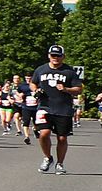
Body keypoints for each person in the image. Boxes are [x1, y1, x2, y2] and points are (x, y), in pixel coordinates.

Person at [31, 45, 83, 174]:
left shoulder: (69, 71)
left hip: (63, 108)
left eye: (58, 56)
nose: (55, 58)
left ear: (63, 57)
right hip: (44, 107)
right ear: (49, 55)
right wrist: (35, 90)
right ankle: (48, 158)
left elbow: (79, 89)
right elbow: (33, 82)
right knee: (44, 133)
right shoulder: (41, 69)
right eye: (53, 55)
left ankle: (60, 163)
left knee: (62, 138)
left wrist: (66, 89)